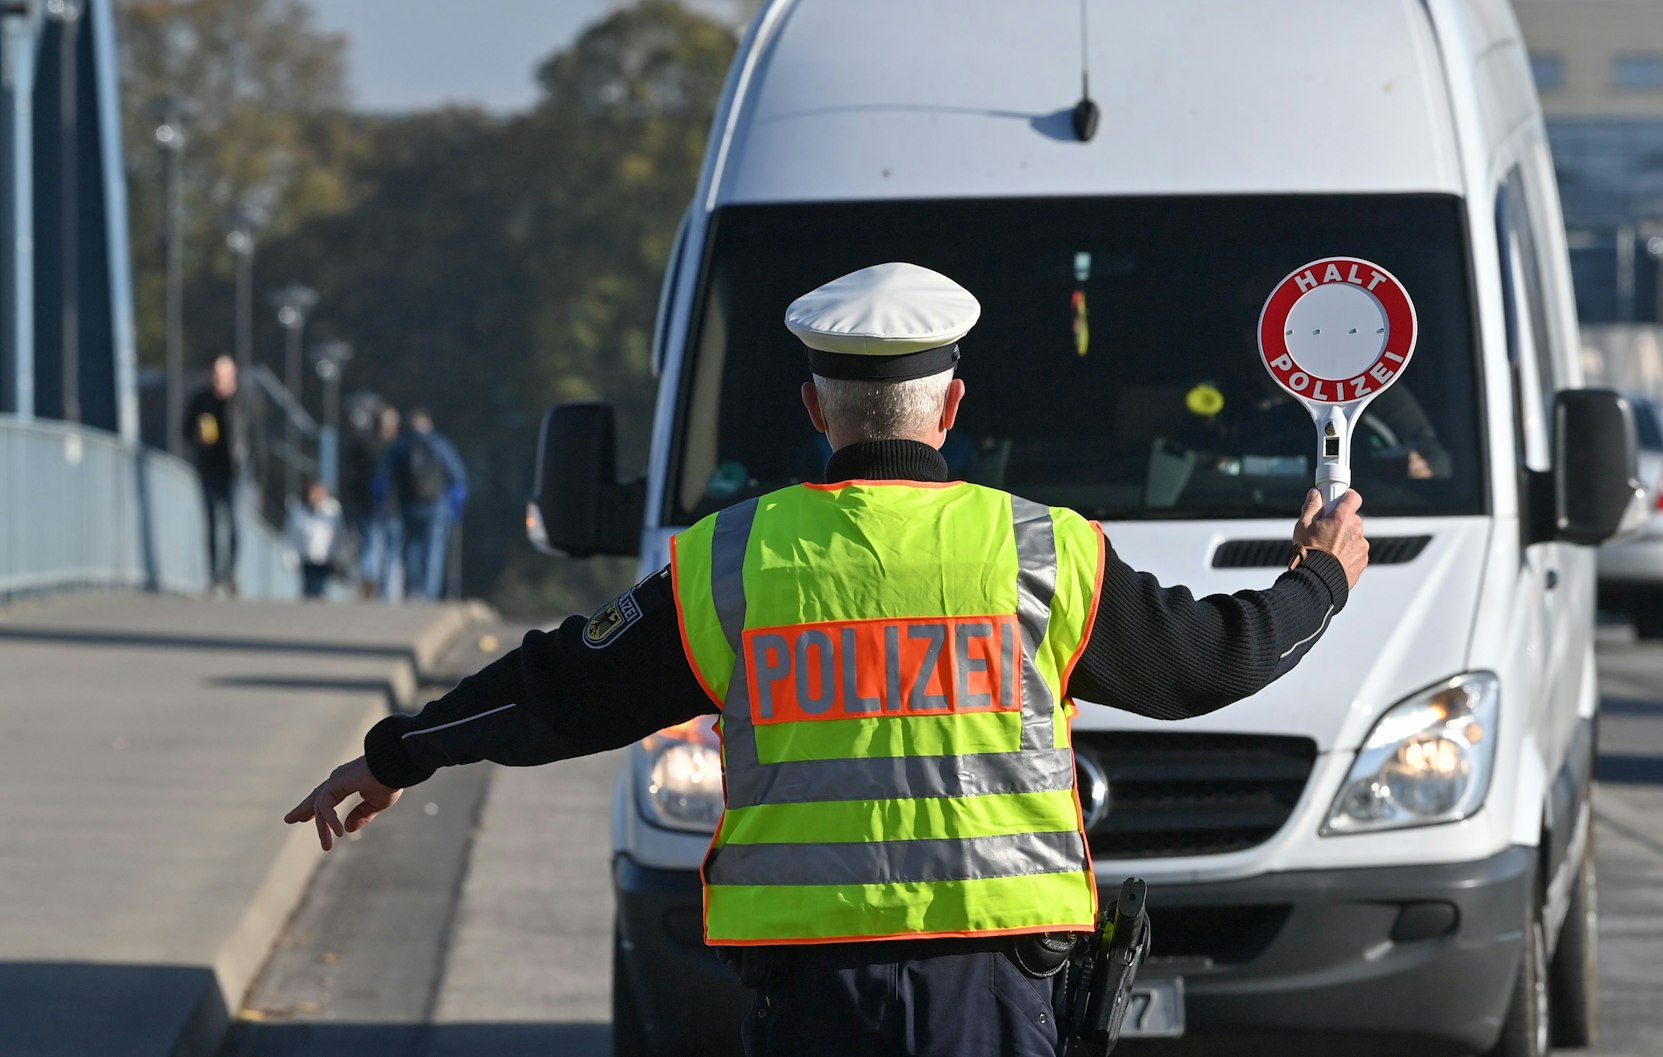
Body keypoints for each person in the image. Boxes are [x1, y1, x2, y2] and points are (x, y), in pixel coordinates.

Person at [286, 263, 1369, 1057]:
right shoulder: (1042, 551)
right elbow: (1208, 664)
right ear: (950, 406)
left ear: (815, 411)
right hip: (987, 986)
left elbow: (556, 687)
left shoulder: (730, 562)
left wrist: (397, 754)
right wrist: (1318, 577)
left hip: (809, 997)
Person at [372, 409, 467, 601]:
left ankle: (412, 590)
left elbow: (383, 477)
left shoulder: (401, 445)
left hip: (408, 504)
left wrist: (380, 503)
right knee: (434, 549)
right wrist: (457, 503)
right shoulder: (440, 444)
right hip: (437, 506)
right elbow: (458, 475)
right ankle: (430, 592)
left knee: (411, 548)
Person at [184, 355, 244, 597]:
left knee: (232, 525)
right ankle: (214, 576)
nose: (218, 380)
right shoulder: (201, 400)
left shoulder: (243, 401)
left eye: (223, 375)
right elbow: (185, 430)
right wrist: (197, 438)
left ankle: (230, 572)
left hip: (236, 471)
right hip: (209, 469)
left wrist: (258, 471)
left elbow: (255, 438)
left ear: (233, 375)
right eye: (215, 375)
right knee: (211, 524)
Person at [344, 404, 402, 599]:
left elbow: (350, 477)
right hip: (393, 508)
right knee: (390, 551)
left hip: (367, 506)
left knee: (370, 546)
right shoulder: (398, 448)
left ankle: (370, 579)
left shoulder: (362, 445)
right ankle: (384, 590)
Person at [288, 480, 344, 600]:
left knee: (320, 588)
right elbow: (293, 534)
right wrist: (292, 554)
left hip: (325, 558)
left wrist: (338, 555)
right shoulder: (300, 512)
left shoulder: (333, 513)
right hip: (307, 557)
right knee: (308, 587)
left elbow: (338, 536)